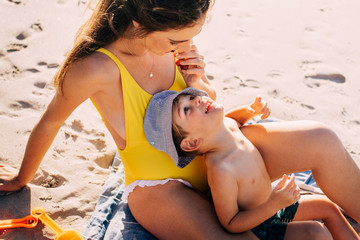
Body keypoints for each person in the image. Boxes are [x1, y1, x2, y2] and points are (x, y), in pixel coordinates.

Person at [0, 0, 359, 239]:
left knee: (322, 139)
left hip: (214, 152)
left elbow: (201, 100)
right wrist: (21, 178)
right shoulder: (95, 69)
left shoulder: (176, 43)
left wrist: (198, 79)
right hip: (163, 186)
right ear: (140, 22)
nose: (186, 44)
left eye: (192, 36)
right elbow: (50, 122)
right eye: (179, 37)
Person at [144, 87, 360, 240]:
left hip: (274, 208)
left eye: (190, 97)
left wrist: (250, 110)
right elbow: (230, 223)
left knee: (328, 207)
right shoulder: (221, 169)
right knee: (316, 233)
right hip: (261, 224)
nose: (196, 100)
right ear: (192, 143)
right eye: (187, 110)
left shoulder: (226, 125)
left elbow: (235, 119)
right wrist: (272, 204)